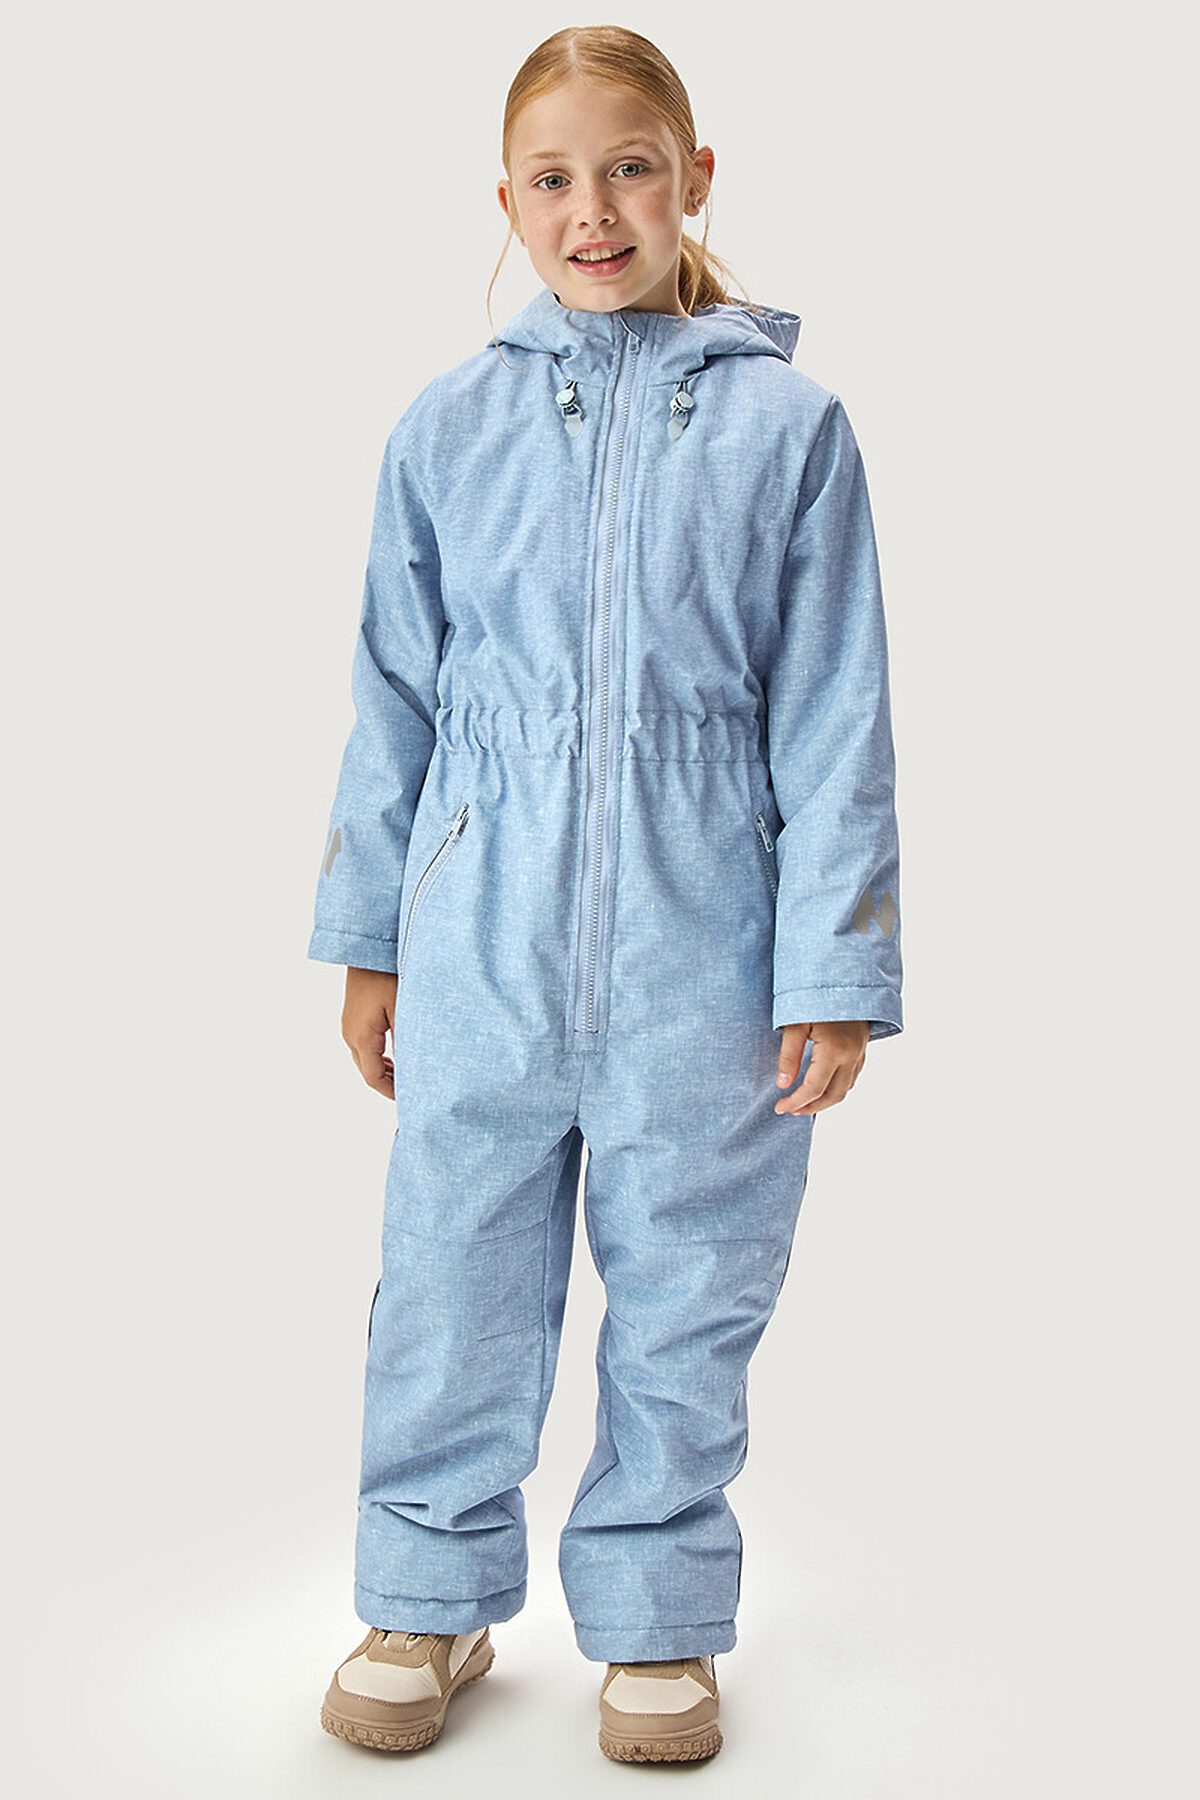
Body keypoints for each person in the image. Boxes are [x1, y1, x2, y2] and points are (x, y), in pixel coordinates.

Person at [307, 24, 903, 1765]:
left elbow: (836, 710)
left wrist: (834, 962)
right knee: (450, 1281)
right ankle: (427, 1594)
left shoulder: (791, 431)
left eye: (631, 169)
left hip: (707, 950)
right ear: (504, 203)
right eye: (554, 180)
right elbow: (392, 697)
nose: (595, 211)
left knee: (691, 1294)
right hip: (480, 941)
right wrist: (369, 939)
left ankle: (657, 1612)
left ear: (695, 179)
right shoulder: (448, 428)